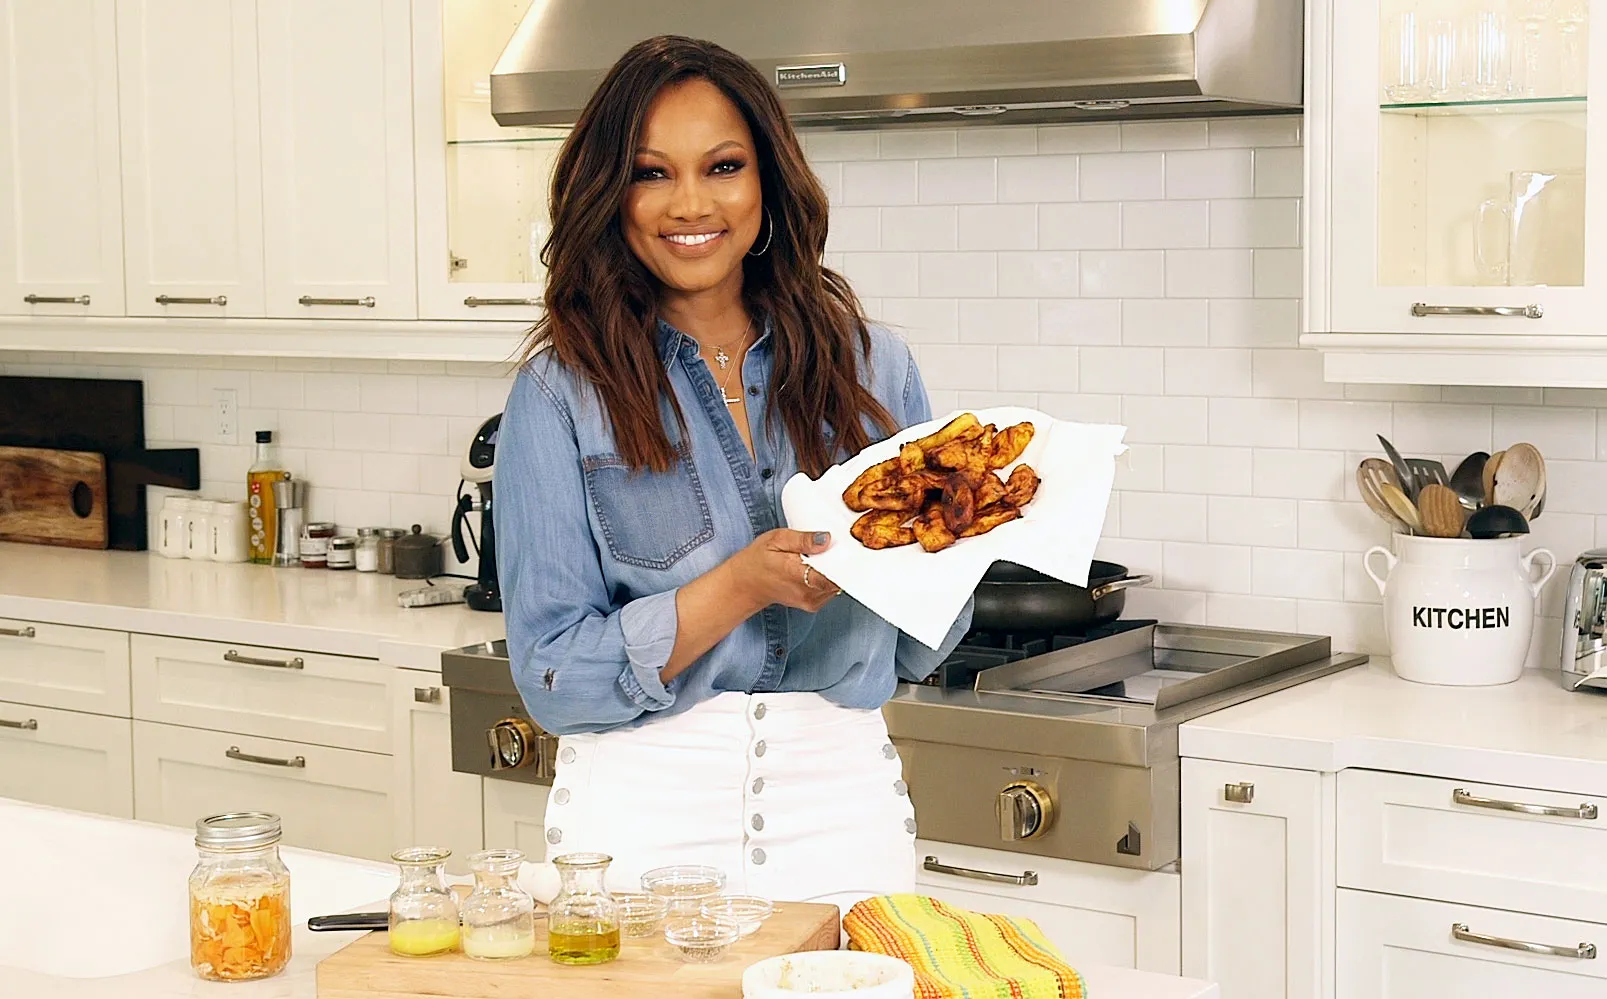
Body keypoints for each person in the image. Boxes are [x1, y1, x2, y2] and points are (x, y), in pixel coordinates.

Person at [494, 34, 972, 916]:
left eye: (722, 166)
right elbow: (553, 673)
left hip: (842, 809)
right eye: (650, 173)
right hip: (639, 821)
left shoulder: (875, 367)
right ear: (611, 194)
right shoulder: (561, 392)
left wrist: (964, 538)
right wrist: (743, 586)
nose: (689, 203)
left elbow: (919, 644)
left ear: (767, 181)